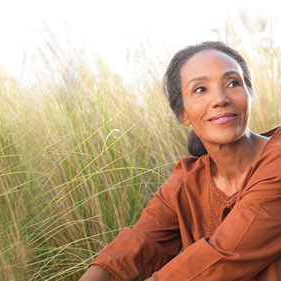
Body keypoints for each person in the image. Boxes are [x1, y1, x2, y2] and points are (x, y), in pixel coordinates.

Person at [78, 41, 281, 281]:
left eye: (233, 83)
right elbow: (140, 243)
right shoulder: (187, 181)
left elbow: (225, 254)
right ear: (183, 113)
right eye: (200, 89)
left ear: (249, 96)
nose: (220, 98)